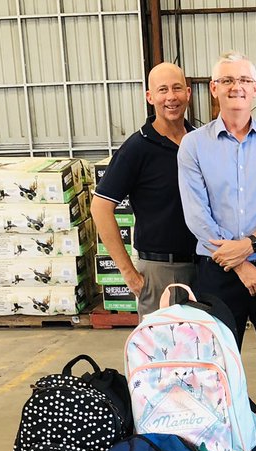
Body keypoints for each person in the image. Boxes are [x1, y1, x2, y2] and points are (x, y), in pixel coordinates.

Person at [179, 51, 256, 451]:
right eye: (227, 80)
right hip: (218, 274)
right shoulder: (193, 146)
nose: (236, 87)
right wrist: (241, 264)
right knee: (217, 371)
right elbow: (198, 217)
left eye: (244, 80)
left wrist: (250, 248)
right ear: (213, 89)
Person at [91, 62, 198, 318]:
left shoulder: (199, 142)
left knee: (200, 353)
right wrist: (129, 273)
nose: (171, 97)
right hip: (161, 270)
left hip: (205, 267)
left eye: (176, 89)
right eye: (162, 90)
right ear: (150, 97)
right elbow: (100, 207)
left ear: (188, 93)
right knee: (164, 354)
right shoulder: (137, 148)